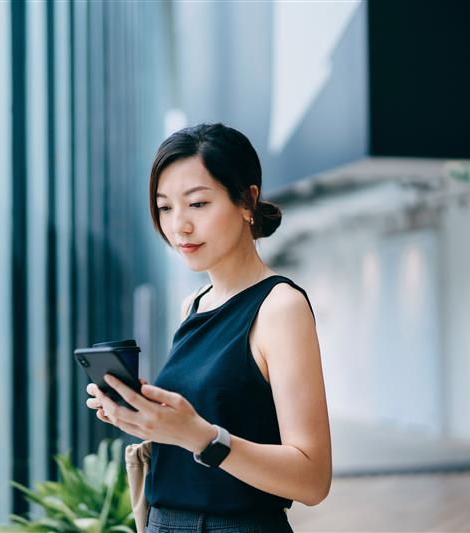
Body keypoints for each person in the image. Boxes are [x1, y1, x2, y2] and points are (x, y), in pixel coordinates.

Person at [86, 123, 331, 532]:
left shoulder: (279, 307)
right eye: (165, 207)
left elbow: (313, 479)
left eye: (197, 204)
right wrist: (145, 416)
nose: (179, 225)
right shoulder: (194, 304)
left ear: (247, 200)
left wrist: (202, 437)